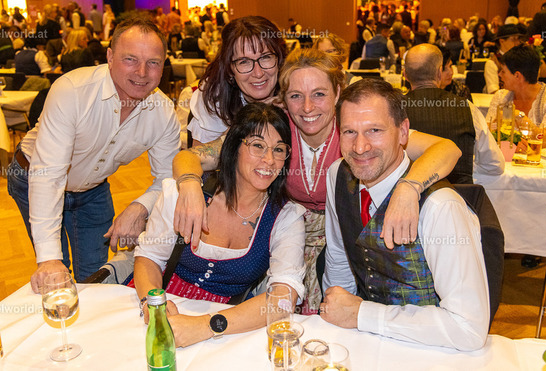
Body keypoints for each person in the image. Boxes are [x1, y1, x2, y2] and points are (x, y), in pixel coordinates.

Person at [172, 48, 462, 314]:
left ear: (338, 93)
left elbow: (448, 148)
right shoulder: (276, 130)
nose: (308, 107)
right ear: (283, 99)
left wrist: (408, 188)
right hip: (286, 239)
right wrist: (188, 185)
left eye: (319, 94)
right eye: (296, 96)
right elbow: (191, 157)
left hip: (346, 243)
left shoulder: (353, 132)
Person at [7, 18, 181, 292]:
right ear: (109, 57)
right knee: (57, 274)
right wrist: (49, 259)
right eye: (130, 59)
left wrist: (141, 207)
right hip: (34, 175)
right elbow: (49, 175)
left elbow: (168, 179)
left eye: (153, 62)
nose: (142, 72)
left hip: (92, 189)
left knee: (94, 277)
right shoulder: (73, 90)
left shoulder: (163, 112)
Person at [320, 78, 490, 351]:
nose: (360, 147)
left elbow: (468, 329)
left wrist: (362, 314)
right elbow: (339, 260)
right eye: (349, 131)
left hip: (430, 353)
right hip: (362, 345)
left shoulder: (440, 207)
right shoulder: (337, 175)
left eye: (374, 130)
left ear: (403, 132)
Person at [134, 103, 305, 347]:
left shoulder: (286, 217)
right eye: (257, 145)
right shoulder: (187, 194)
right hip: (162, 304)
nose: (269, 160)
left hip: (227, 323)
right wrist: (152, 303)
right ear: (234, 147)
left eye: (278, 149)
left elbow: (282, 299)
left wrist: (206, 326)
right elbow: (149, 258)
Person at [403, 44, 504, 184]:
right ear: (439, 72)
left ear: (405, 75)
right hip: (459, 194)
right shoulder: (466, 107)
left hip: (408, 193)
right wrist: (464, 166)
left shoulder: (392, 109)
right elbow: (494, 165)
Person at [188, 16, 286, 145]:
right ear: (230, 69)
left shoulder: (294, 90)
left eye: (265, 57)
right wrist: (247, 122)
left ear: (279, 60)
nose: (258, 73)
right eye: (244, 62)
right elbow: (197, 155)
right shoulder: (215, 96)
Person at [486, 44, 546, 148]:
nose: (499, 75)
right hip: (510, 156)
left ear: (517, 76)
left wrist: (519, 117)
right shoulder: (501, 96)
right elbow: (486, 132)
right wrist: (512, 144)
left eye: (503, 71)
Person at [483, 24, 522, 94]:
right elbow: (493, 92)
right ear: (502, 41)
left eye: (518, 39)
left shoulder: (521, 59)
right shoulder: (493, 63)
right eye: (513, 39)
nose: (517, 43)